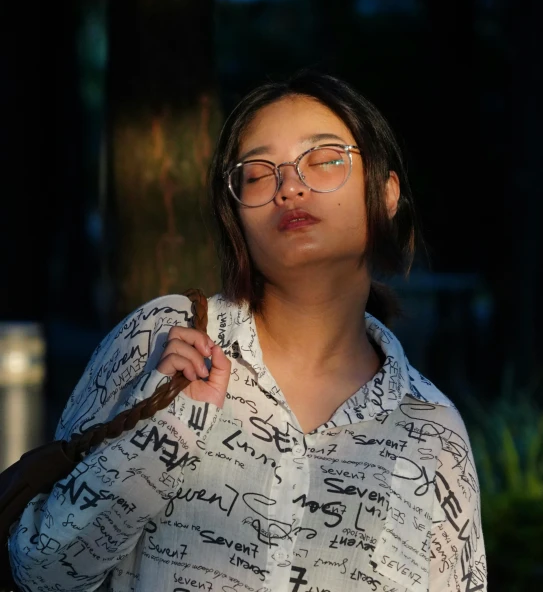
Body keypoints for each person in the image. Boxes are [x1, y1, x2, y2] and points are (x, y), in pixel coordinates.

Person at [9, 70, 487, 592]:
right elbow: (42, 573)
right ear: (235, 214)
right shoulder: (164, 339)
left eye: (325, 159)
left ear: (387, 193)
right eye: (258, 173)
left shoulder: (433, 432)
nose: (290, 186)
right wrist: (158, 437)